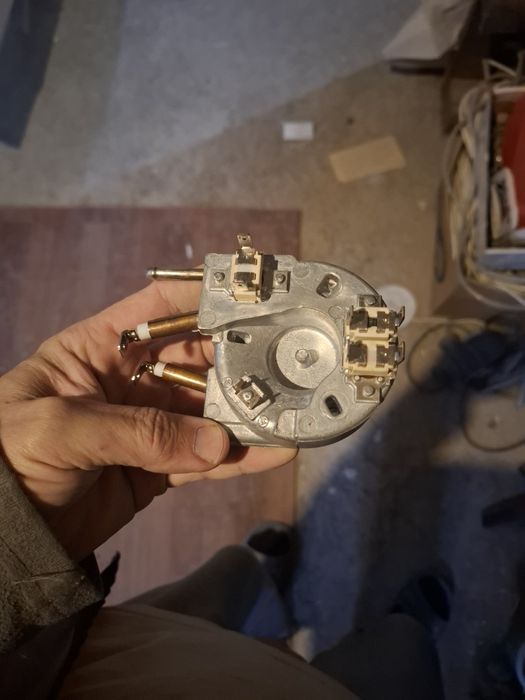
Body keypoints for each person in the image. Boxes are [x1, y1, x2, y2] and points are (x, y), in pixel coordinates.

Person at [0, 280, 446, 699]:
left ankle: (258, 575)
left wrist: (16, 530)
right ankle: (402, 624)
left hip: (69, 643)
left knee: (225, 579)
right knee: (401, 654)